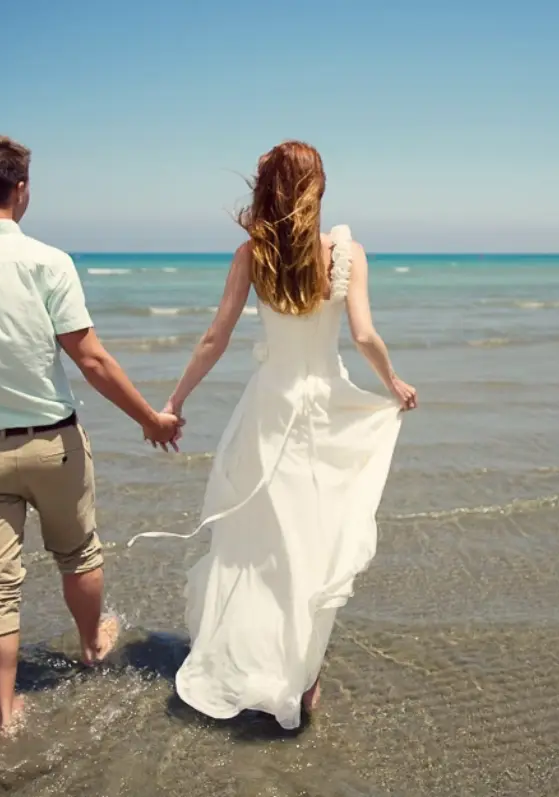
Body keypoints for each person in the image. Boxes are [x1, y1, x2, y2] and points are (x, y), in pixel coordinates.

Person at [0, 134, 181, 734]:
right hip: (53, 444)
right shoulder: (48, 261)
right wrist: (150, 420)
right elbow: (90, 358)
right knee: (78, 553)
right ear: (22, 188)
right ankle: (92, 644)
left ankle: (3, 712)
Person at [130, 140, 417, 729]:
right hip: (325, 410)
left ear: (268, 190)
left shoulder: (250, 255)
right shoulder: (347, 253)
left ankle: (258, 660)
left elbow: (215, 338)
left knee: (263, 544)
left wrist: (174, 400)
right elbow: (363, 335)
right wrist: (392, 381)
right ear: (318, 187)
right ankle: (302, 674)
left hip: (269, 408)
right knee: (315, 540)